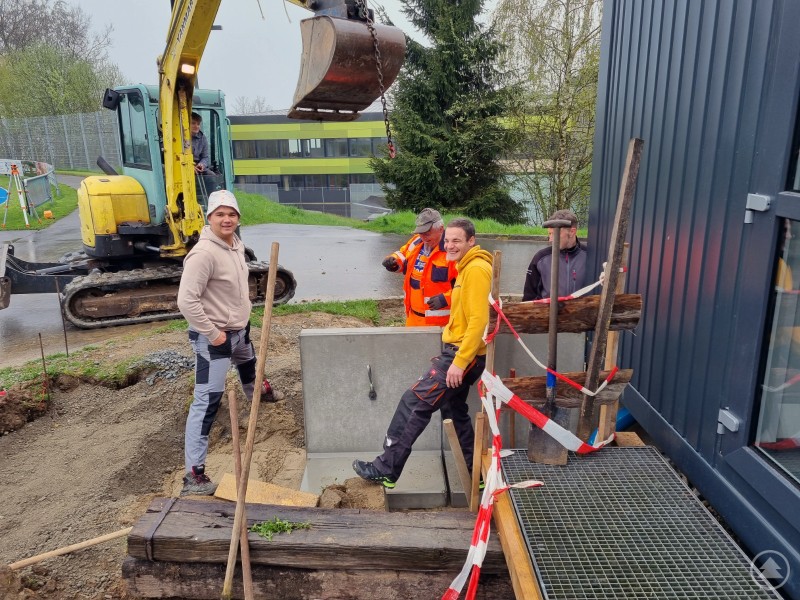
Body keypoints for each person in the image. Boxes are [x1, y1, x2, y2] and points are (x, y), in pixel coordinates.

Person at [353, 217, 493, 488]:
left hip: (462, 355)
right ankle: (477, 475)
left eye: (457, 241)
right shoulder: (464, 265)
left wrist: (460, 363)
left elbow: (479, 321)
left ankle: (386, 469)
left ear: (471, 241)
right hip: (461, 352)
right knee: (454, 409)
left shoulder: (475, 269)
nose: (450, 245)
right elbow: (404, 256)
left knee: (414, 402)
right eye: (448, 241)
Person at [176, 189, 277, 496]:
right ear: (209, 218)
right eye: (220, 214)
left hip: (238, 331)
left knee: (250, 367)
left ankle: (260, 396)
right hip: (215, 340)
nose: (227, 219)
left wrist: (240, 320)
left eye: (231, 214)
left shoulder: (235, 245)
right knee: (207, 402)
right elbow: (186, 301)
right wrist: (214, 333)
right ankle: (194, 473)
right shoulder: (204, 253)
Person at [381, 208, 457, 326]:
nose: (423, 237)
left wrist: (446, 299)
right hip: (412, 318)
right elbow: (403, 256)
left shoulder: (453, 251)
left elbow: (465, 287)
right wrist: (393, 261)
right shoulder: (416, 242)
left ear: (441, 229)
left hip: (441, 324)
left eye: (427, 233)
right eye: (420, 233)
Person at [522, 209, 588, 301]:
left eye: (555, 234)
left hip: (583, 313)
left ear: (572, 232)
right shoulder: (541, 258)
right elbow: (529, 297)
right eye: (550, 234)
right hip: (546, 314)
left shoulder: (590, 256)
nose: (551, 239)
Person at [190, 112, 219, 202]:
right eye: (193, 123)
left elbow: (205, 157)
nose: (197, 126)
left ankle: (211, 203)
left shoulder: (202, 138)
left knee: (212, 177)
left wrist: (202, 165)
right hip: (181, 166)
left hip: (198, 166)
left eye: (198, 124)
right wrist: (190, 167)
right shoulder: (177, 138)